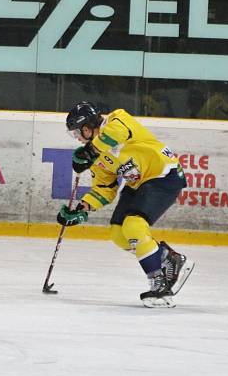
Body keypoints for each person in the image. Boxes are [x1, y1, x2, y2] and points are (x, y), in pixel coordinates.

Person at [56, 101, 195, 307]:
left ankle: (159, 285)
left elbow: (115, 135)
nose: (77, 138)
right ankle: (168, 258)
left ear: (86, 127)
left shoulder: (118, 119)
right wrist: (82, 209)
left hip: (164, 175)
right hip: (138, 183)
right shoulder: (96, 155)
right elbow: (105, 189)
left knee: (134, 225)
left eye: (77, 132)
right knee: (118, 233)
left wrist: (90, 151)